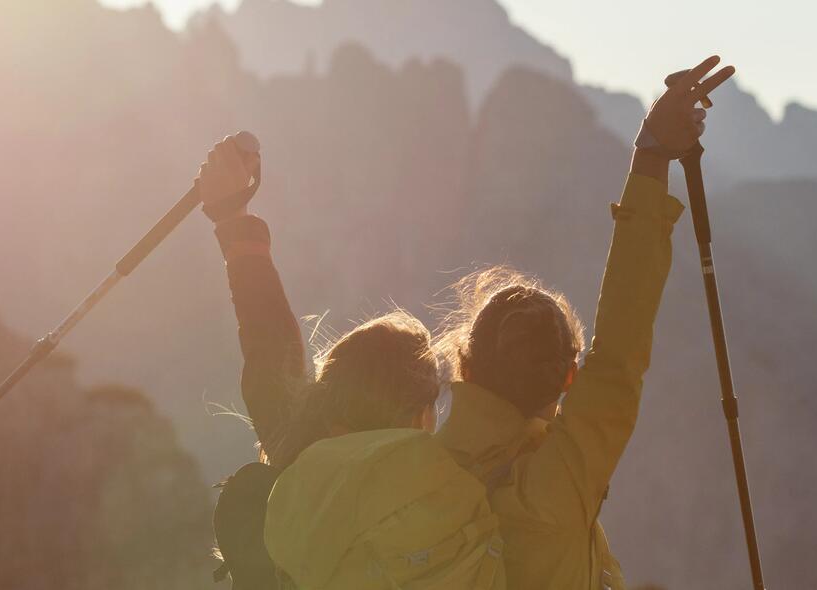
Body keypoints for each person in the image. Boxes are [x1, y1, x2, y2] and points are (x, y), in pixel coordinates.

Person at [431, 56, 734, 590]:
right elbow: (619, 352)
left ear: (465, 361)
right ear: (569, 377)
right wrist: (652, 156)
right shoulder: (558, 482)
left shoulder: (412, 474)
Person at [192, 135, 506, 589]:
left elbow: (269, 339)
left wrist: (231, 218)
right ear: (419, 417)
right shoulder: (443, 518)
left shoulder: (295, 460)